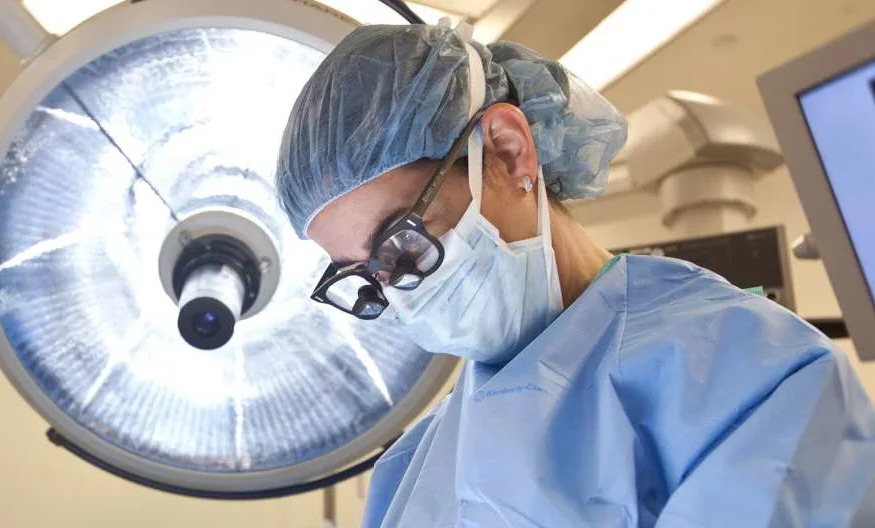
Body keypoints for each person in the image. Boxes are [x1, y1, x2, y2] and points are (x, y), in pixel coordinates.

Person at [276, 22, 875, 527]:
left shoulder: (755, 381)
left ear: (508, 152)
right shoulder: (409, 472)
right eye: (372, 278)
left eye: (403, 245)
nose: (405, 294)